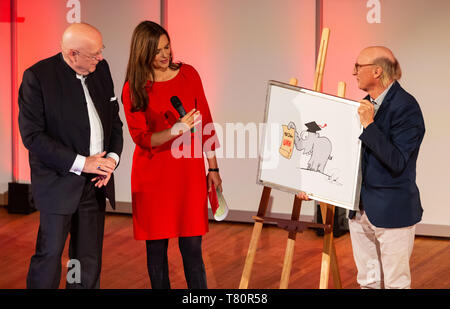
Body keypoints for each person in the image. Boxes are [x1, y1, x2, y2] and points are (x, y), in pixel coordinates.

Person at [298, 46, 425, 289]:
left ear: (377, 71)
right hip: (360, 210)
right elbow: (343, 158)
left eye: (358, 66)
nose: (353, 72)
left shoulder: (406, 107)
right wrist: (314, 187)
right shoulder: (362, 105)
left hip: (392, 211)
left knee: (396, 284)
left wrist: (369, 125)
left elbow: (398, 161)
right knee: (367, 282)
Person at [18, 23, 123, 289]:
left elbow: (114, 121)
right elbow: (33, 137)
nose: (100, 58)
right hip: (58, 182)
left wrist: (111, 158)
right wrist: (82, 163)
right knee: (50, 255)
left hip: (95, 183)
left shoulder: (101, 69)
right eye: (94, 54)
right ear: (73, 54)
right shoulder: (37, 78)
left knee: (86, 260)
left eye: (101, 52)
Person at [121, 21, 222, 289]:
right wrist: (176, 130)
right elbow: (141, 138)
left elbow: (206, 123)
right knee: (156, 253)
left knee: (192, 249)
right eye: (157, 51)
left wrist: (213, 169)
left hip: (188, 176)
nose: (165, 55)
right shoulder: (134, 88)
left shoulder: (189, 74)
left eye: (167, 47)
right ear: (143, 54)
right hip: (153, 179)